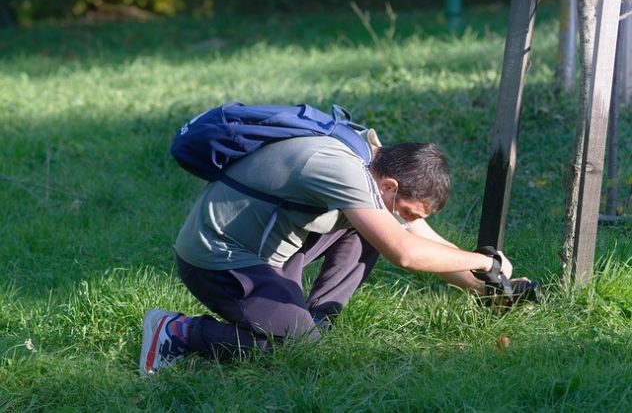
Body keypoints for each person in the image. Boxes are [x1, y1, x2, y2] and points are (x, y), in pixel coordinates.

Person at [139, 127, 517, 375]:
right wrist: (484, 259)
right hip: (218, 258)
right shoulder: (342, 171)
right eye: (405, 210)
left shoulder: (369, 159)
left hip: (268, 249)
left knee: (374, 231)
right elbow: (405, 252)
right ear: (389, 186)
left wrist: (488, 286)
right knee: (295, 350)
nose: (406, 219)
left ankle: (312, 323)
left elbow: (422, 238)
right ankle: (177, 332)